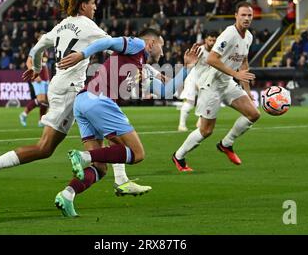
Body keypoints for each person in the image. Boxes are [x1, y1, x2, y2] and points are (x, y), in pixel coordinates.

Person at [0, 0, 150, 198]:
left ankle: (86, 189)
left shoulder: (60, 26)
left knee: (100, 152)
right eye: (93, 2)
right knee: (50, 147)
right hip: (72, 91)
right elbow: (113, 46)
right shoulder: (88, 26)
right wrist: (143, 69)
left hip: (60, 86)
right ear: (84, 4)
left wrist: (37, 67)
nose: (96, 7)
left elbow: (36, 49)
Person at [54, 29, 199, 216]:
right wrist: (82, 54)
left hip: (83, 103)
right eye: (161, 47)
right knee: (137, 153)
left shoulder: (143, 68)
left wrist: (187, 68)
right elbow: (106, 43)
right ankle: (83, 157)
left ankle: (67, 195)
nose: (163, 53)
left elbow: (166, 91)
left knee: (101, 166)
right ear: (152, 43)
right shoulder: (136, 45)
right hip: (99, 100)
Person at [172, 1, 260, 172]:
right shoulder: (229, 34)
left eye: (249, 15)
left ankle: (226, 144)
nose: (247, 18)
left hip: (227, 83)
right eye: (243, 15)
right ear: (236, 16)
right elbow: (212, 59)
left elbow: (243, 63)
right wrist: (235, 74)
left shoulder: (248, 36)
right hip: (211, 85)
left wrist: (247, 92)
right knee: (206, 131)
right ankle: (178, 156)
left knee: (253, 114)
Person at [177, 32, 218, 132]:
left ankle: (200, 123)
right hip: (193, 77)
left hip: (205, 79)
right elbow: (190, 64)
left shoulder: (217, 52)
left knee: (207, 101)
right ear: (205, 40)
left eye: (214, 40)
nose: (212, 42)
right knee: (189, 102)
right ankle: (181, 125)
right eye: (210, 40)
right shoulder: (200, 50)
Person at [19, 56, 50, 127]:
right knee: (41, 99)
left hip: (45, 78)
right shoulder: (35, 49)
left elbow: (44, 65)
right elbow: (28, 62)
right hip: (38, 77)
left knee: (46, 100)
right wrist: (34, 74)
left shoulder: (45, 50)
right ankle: (24, 114)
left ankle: (41, 121)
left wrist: (47, 78)